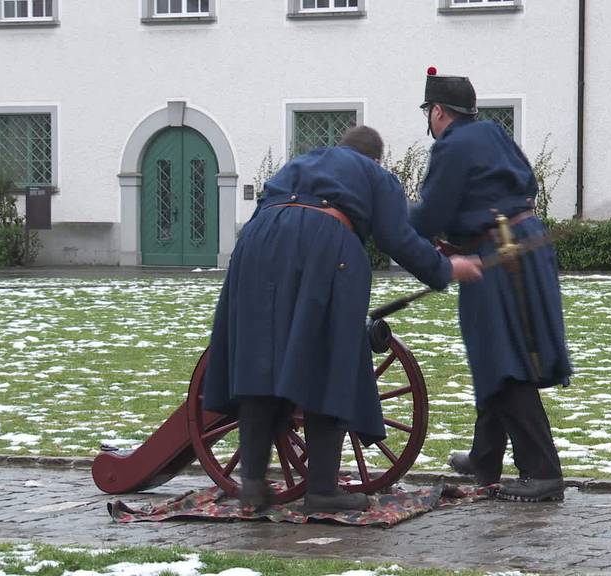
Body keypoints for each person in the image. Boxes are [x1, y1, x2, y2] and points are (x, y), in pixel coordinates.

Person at [202, 125, 483, 513]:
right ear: (374, 159)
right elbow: (397, 238)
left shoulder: (301, 164)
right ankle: (321, 490)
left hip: (257, 242)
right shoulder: (374, 174)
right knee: (328, 357)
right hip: (323, 243)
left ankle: (252, 483)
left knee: (259, 356)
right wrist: (447, 269)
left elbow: (267, 207)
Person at [410, 68, 573, 502]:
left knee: (502, 359)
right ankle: (485, 457)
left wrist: (396, 222)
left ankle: (542, 472)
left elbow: (431, 215)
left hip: (496, 257)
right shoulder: (493, 134)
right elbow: (527, 182)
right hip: (523, 245)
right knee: (495, 354)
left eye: (429, 111)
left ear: (438, 111)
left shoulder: (451, 147)